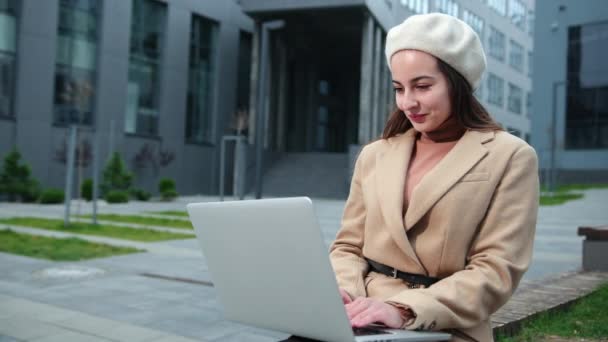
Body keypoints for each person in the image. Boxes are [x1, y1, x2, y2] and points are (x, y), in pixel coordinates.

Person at [329, 13, 539, 342]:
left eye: (423, 86)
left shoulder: (510, 156)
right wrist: (345, 294)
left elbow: (496, 271)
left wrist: (402, 309)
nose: (408, 103)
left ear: (458, 83)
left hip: (445, 325)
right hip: (363, 318)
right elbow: (347, 248)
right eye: (399, 88)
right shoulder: (375, 154)